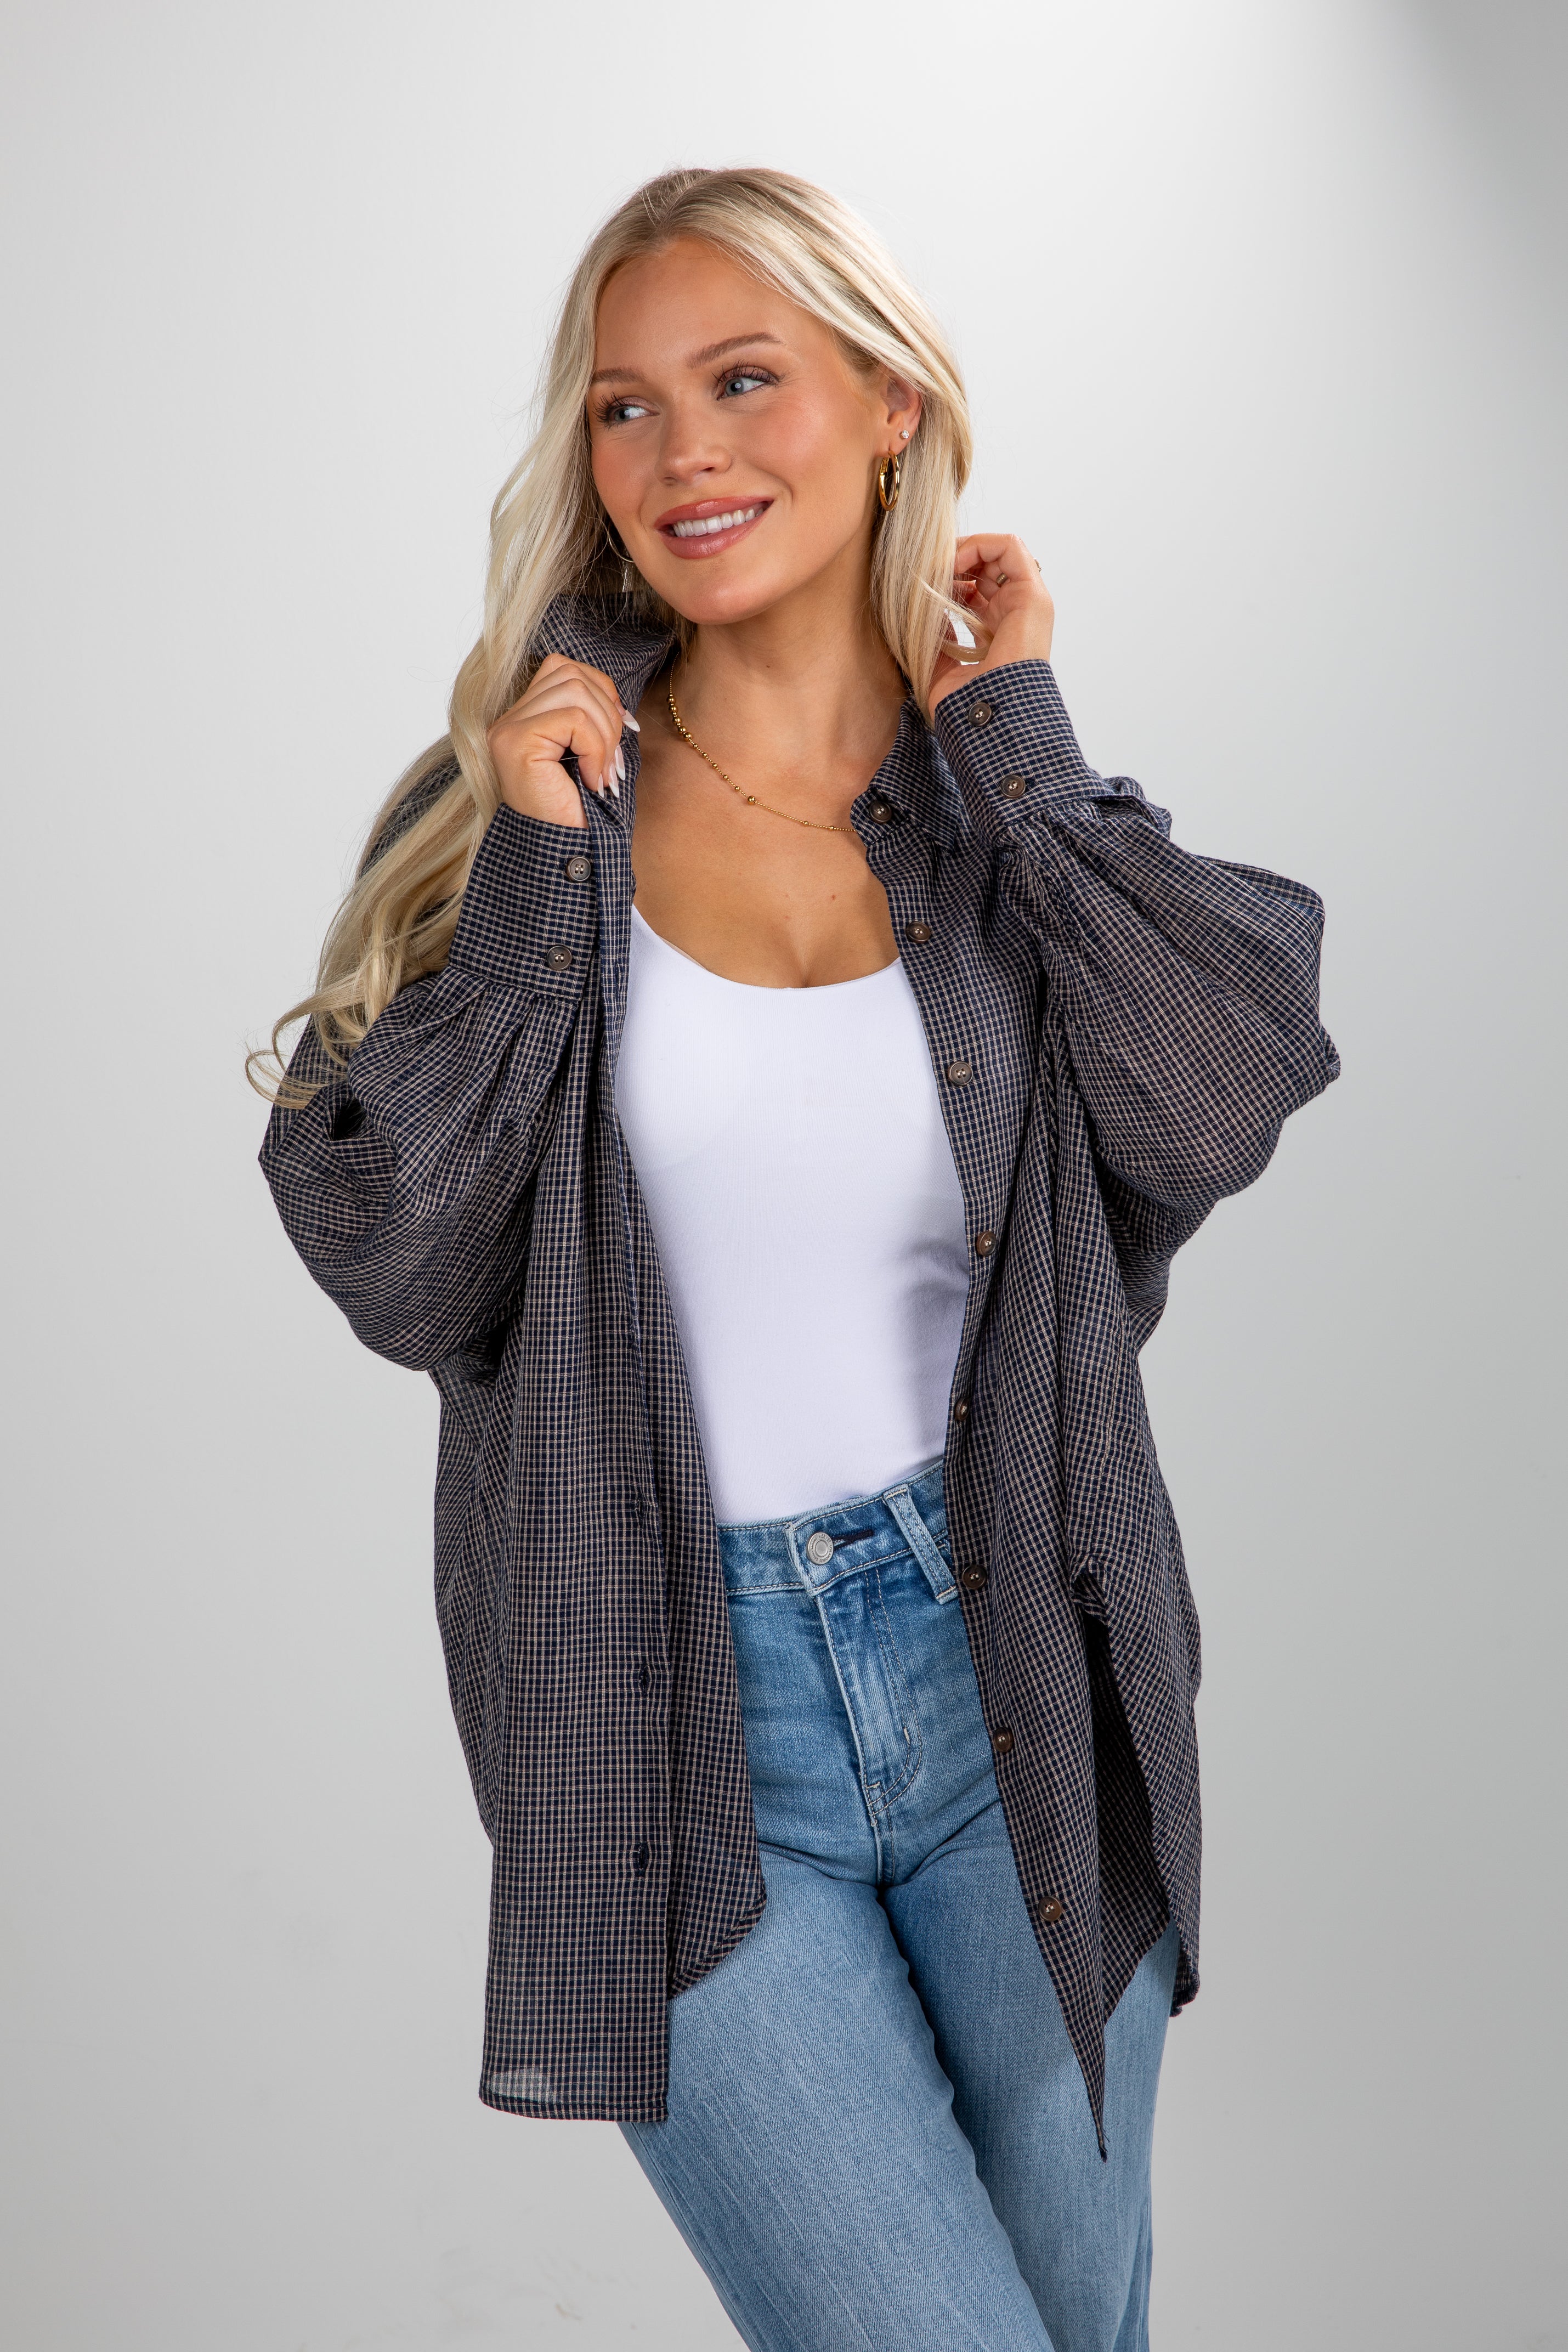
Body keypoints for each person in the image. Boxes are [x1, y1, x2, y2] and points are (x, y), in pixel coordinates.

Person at [256, 166, 1338, 2352]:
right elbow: (395, 1262)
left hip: (1015, 1653)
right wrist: (545, 888)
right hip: (673, 1714)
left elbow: (1225, 1086)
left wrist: (1016, 749)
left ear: (884, 406)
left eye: (742, 381)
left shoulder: (994, 814)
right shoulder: (507, 809)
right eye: (625, 410)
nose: (680, 457)